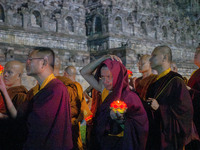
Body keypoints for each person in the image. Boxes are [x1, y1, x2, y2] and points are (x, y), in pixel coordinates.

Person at [0, 47, 73, 150]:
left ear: (43, 63)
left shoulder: (56, 89)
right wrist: (3, 89)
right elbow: (18, 117)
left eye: (30, 59)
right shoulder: (35, 91)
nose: (27, 63)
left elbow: (38, 127)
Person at [80, 55, 148, 150]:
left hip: (121, 143)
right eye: (102, 77)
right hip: (103, 141)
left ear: (117, 75)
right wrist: (104, 58)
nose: (105, 81)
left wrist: (121, 120)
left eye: (109, 77)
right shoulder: (104, 89)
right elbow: (84, 72)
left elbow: (141, 125)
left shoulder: (130, 96)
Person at [145, 45, 197, 150]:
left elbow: (185, 111)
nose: (150, 59)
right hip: (155, 135)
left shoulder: (176, 80)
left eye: (154, 55)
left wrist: (160, 108)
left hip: (170, 138)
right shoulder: (152, 83)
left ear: (164, 58)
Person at [0, 60, 28, 150]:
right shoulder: (6, 91)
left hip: (9, 139)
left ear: (19, 76)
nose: (5, 75)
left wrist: (2, 116)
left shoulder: (21, 95)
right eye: (5, 72)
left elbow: (20, 120)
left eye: (9, 72)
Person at [63, 66, 92, 150]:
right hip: (78, 120)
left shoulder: (65, 88)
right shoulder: (78, 86)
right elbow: (81, 105)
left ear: (65, 74)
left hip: (68, 121)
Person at [187, 44, 200, 139]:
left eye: (199, 51)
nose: (196, 54)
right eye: (196, 51)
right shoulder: (195, 73)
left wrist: (190, 91)